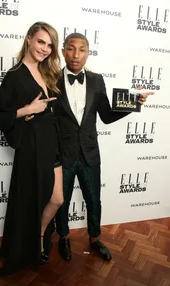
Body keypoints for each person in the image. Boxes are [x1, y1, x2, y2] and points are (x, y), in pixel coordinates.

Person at [54, 33, 154, 261]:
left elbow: (107, 115)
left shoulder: (97, 80)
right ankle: (63, 238)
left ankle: (95, 238)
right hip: (63, 154)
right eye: (71, 48)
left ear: (88, 53)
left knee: (93, 199)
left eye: (82, 49)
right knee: (63, 201)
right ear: (63, 51)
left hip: (90, 154)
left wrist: (134, 102)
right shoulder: (51, 79)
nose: (76, 54)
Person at [0, 21, 63, 277]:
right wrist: (27, 110)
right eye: (41, 42)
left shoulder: (48, 72)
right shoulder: (15, 75)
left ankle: (40, 235)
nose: (44, 49)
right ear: (30, 38)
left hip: (52, 144)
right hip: (32, 147)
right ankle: (26, 250)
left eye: (50, 45)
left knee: (57, 199)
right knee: (28, 200)